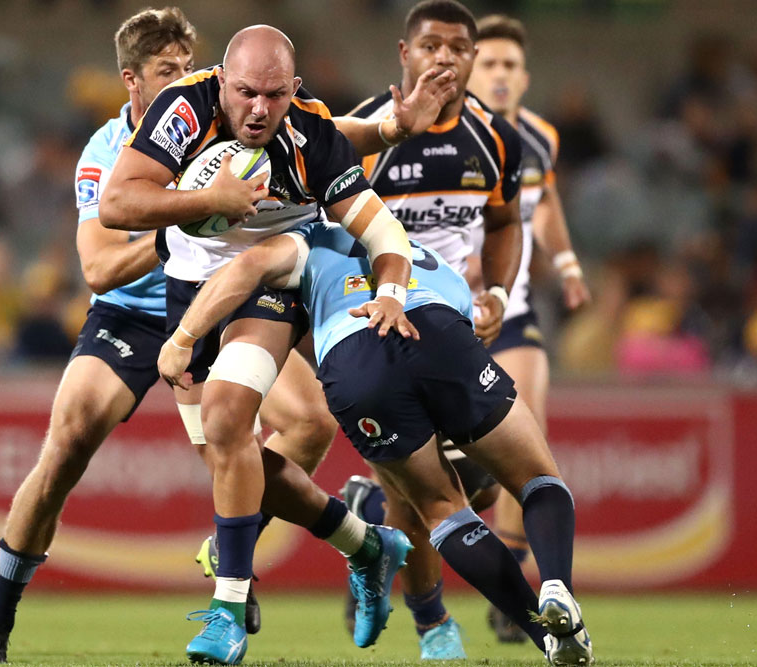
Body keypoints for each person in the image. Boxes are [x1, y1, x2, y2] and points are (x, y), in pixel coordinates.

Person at [98, 23, 451, 665]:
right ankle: (367, 545)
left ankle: (228, 611)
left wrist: (394, 287)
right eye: (244, 94)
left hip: (276, 277)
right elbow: (115, 205)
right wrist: (212, 199)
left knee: (230, 414)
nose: (257, 110)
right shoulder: (185, 105)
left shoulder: (310, 134)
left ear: (293, 90)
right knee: (241, 464)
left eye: (272, 95)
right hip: (190, 284)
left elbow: (380, 227)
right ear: (220, 81)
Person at [157, 222, 595, 667]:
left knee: (441, 508)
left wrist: (182, 338)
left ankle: (544, 638)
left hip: (353, 366)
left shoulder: (306, 238)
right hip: (435, 329)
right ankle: (555, 585)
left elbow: (248, 265)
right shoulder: (428, 254)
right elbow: (470, 324)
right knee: (535, 478)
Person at [0, 8, 199, 662]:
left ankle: (249, 574)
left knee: (290, 425)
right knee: (64, 444)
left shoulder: (218, 128)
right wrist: (173, 230)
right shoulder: (103, 155)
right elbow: (97, 268)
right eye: (165, 71)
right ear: (131, 80)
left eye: (187, 68)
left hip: (212, 302)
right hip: (129, 312)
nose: (182, 82)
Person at [338, 1, 526, 658]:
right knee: (425, 490)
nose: (444, 58)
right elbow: (332, 234)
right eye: (430, 46)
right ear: (404, 54)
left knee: (478, 479)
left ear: (472, 58)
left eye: (456, 47)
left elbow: (504, 223)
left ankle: (366, 528)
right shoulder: (366, 135)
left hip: (458, 326)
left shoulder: (495, 139)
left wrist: (497, 289)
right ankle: (433, 625)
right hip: (381, 326)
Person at [465, 13, 592, 643]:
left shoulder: (539, 138)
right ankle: (372, 529)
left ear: (526, 74)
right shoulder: (451, 135)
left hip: (510, 314)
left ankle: (516, 579)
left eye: (510, 65)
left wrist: (566, 264)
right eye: (489, 63)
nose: (501, 75)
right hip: (444, 321)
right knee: (443, 469)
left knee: (527, 432)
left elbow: (545, 206)